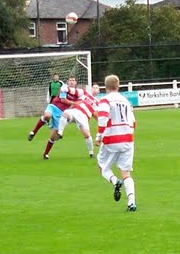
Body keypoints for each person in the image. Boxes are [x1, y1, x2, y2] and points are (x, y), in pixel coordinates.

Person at [94, 74, 137, 211]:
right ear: (118, 86)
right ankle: (131, 202)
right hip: (127, 139)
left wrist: (99, 136)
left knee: (103, 166)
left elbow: (102, 119)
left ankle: (114, 181)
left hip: (111, 139)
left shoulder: (105, 101)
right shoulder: (125, 101)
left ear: (105, 87)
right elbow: (133, 122)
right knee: (126, 173)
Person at [58, 76, 96, 156]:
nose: (94, 89)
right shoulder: (84, 92)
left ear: (99, 91)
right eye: (93, 87)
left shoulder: (98, 103)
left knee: (87, 135)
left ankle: (91, 152)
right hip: (75, 111)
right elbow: (73, 90)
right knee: (65, 113)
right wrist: (65, 89)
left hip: (84, 117)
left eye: (97, 88)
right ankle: (60, 133)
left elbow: (97, 116)